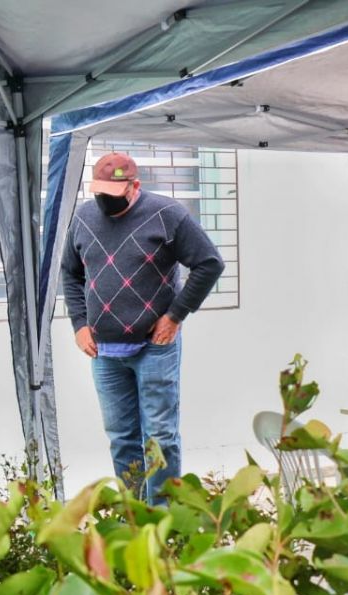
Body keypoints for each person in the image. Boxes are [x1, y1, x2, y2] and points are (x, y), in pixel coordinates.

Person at [60, 152, 225, 502]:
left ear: (135, 186)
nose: (104, 200)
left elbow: (209, 263)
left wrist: (176, 315)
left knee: (160, 436)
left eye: (113, 192)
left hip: (155, 347)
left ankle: (163, 520)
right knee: (121, 437)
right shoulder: (84, 218)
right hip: (104, 351)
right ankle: (134, 517)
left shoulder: (168, 215)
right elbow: (70, 273)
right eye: (99, 191)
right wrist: (79, 324)